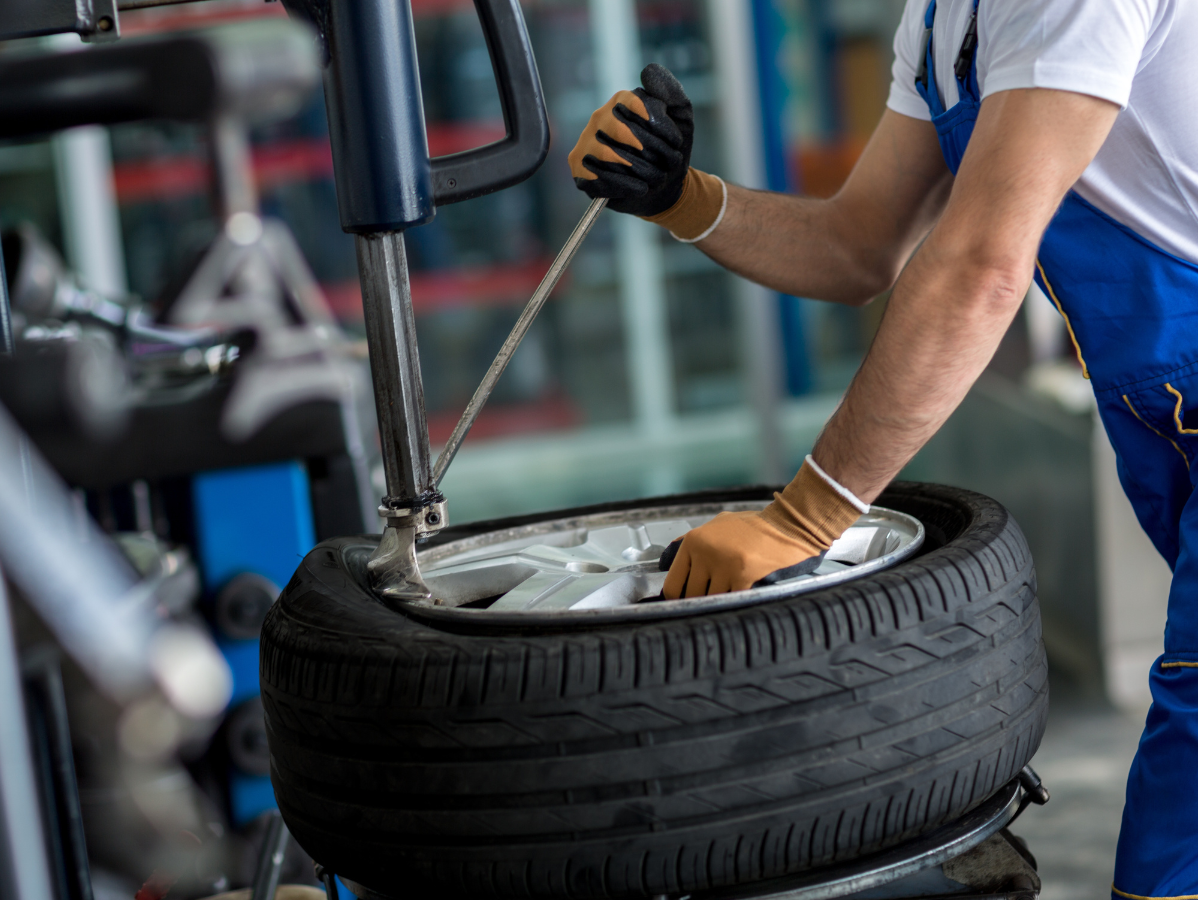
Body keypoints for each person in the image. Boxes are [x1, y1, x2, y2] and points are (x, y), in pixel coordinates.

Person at [568, 0, 1198, 895]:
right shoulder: (940, 23)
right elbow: (858, 247)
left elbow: (982, 264)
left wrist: (807, 515)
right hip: (1170, 420)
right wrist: (683, 197)